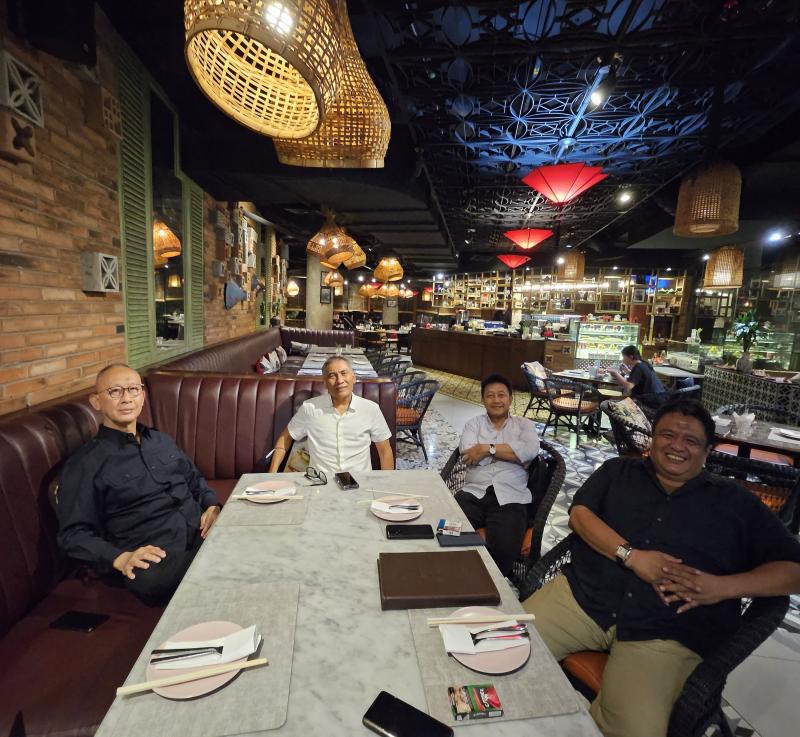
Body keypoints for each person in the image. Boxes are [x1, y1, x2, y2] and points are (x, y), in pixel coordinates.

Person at [523, 398, 800, 737]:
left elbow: (794, 570)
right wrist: (632, 556)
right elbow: (580, 515)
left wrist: (724, 587)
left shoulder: (735, 503)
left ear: (707, 451)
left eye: (690, 440)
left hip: (666, 631)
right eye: (668, 435)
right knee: (497, 651)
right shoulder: (618, 471)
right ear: (652, 439)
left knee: (636, 730)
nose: (677, 446)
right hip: (582, 598)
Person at [57, 364, 221, 605]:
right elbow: (73, 535)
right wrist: (120, 558)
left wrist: (212, 506)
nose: (126, 398)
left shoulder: (161, 440)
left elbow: (194, 479)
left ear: (142, 396)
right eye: (115, 391)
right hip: (156, 557)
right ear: (96, 402)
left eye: (133, 389)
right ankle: (218, 564)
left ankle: (215, 564)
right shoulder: (85, 464)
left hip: (199, 533)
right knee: (150, 579)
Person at [455, 374, 540, 577]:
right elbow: (468, 454)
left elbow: (529, 451)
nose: (496, 400)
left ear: (510, 399)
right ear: (483, 400)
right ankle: (457, 576)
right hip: (473, 493)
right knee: (448, 533)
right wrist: (513, 455)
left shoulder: (525, 425)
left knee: (504, 548)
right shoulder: (473, 424)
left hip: (511, 496)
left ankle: (488, 584)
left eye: (501, 395)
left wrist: (486, 449)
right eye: (490, 395)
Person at [269, 356, 394, 476]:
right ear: (325, 383)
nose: (339, 380)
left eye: (344, 373)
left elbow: (385, 452)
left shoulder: (370, 409)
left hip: (361, 482)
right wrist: (271, 475)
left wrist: (387, 485)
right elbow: (285, 439)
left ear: (353, 378)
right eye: (332, 376)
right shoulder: (310, 408)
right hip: (320, 482)